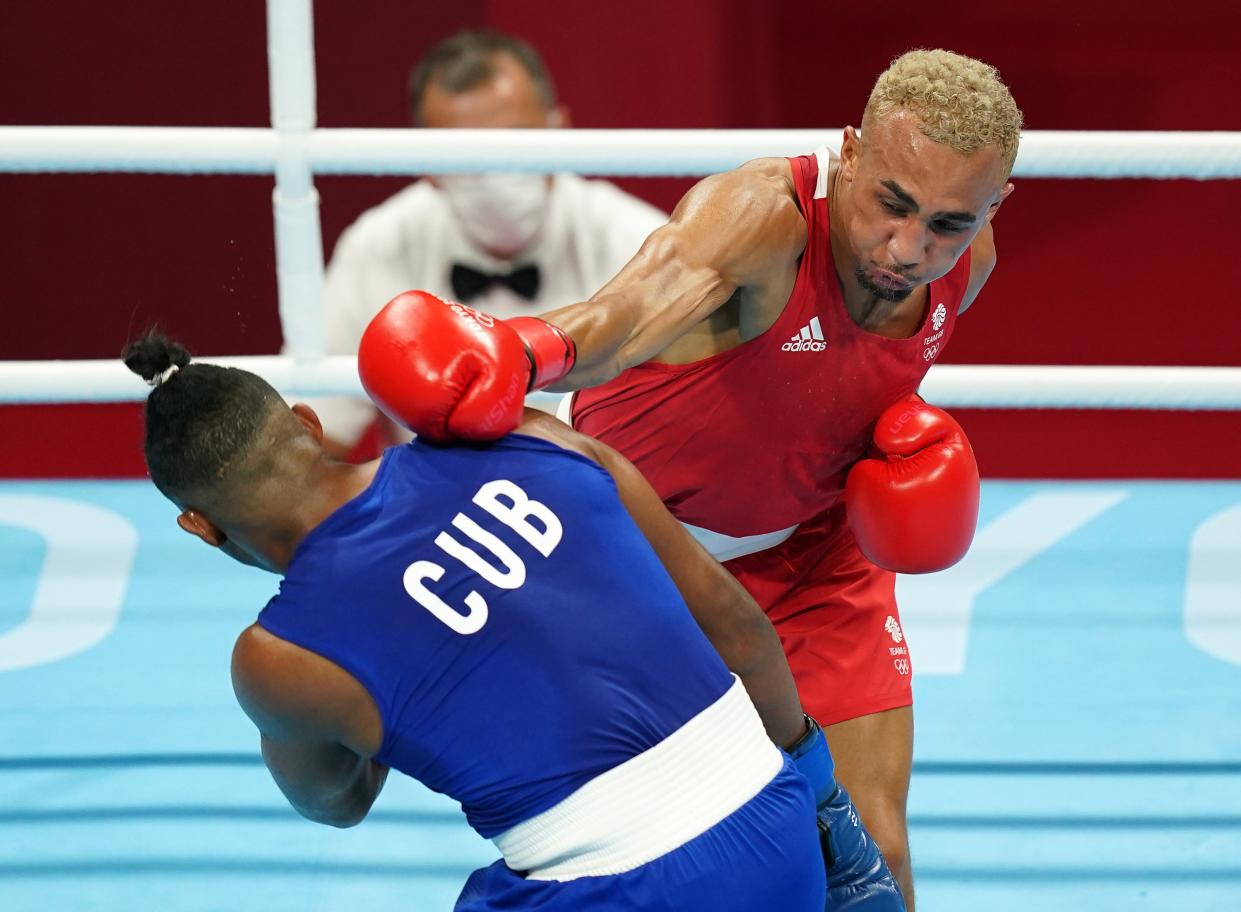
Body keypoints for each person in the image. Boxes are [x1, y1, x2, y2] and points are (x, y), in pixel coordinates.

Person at [354, 48, 1023, 909]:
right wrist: (523, 353)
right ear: (849, 151)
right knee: (657, 866)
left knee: (871, 861)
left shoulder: (970, 264)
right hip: (642, 574)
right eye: (890, 204)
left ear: (992, 207)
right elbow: (624, 316)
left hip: (816, 564)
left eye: (946, 224)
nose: (907, 248)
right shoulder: (760, 218)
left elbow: (840, 382)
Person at [121, 329, 900, 910]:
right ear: (307, 423)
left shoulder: (277, 660)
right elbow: (736, 626)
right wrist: (821, 803)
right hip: (779, 838)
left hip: (613, 892)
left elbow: (337, 801)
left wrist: (392, 673)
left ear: (198, 524)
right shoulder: (528, 435)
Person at [310, 28, 666, 453]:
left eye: (515, 142)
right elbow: (317, 433)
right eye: (464, 153)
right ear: (423, 163)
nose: (494, 172)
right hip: (433, 508)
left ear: (562, 132)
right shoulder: (378, 244)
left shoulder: (635, 237)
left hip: (609, 498)